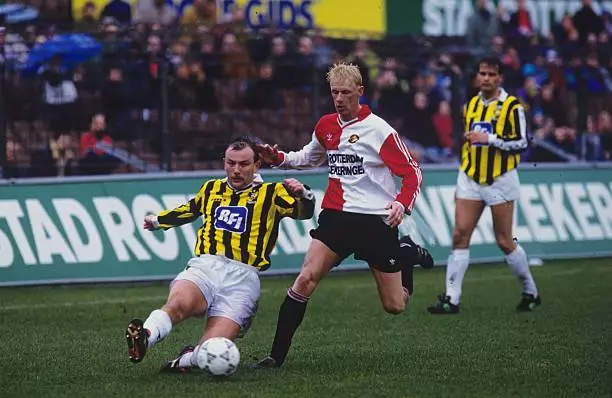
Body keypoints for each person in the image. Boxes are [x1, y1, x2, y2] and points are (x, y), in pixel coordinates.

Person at [253, 62, 428, 369]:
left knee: (395, 306)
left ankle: (405, 253)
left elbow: (412, 173)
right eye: (335, 92)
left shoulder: (380, 130)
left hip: (376, 221)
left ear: (360, 92)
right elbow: (310, 156)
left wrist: (402, 204)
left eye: (346, 93)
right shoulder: (326, 126)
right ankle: (275, 357)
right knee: (305, 280)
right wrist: (278, 159)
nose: (339, 99)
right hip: (336, 216)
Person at [125, 137, 316, 372]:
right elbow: (190, 209)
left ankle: (184, 361)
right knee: (179, 304)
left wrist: (304, 195)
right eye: (231, 163)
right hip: (206, 266)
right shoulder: (212, 188)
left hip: (244, 279)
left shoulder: (272, 192)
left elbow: (303, 214)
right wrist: (157, 221)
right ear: (224, 162)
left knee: (211, 352)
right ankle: (145, 336)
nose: (236, 170)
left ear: (257, 165)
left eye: (243, 164)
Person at [427, 56, 541, 315]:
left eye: (491, 74)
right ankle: (451, 299)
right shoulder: (471, 105)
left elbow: (522, 142)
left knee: (504, 240)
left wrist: (489, 139)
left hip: (500, 179)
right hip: (469, 176)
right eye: (482, 74)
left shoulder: (513, 107)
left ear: (500, 78)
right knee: (459, 234)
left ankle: (530, 291)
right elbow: (469, 140)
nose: (486, 78)